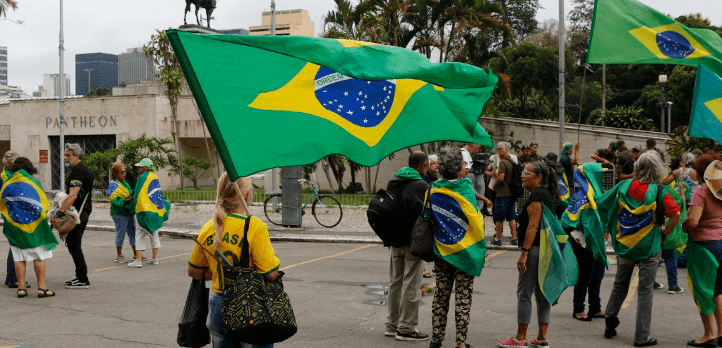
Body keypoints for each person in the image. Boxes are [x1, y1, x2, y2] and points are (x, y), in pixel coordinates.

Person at [188, 173, 280, 348]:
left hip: (218, 304)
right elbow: (271, 273)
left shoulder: (209, 227)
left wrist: (219, 271)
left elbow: (195, 272)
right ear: (245, 195)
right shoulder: (255, 227)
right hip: (251, 306)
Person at [599, 152, 681, 347]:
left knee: (620, 284)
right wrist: (665, 231)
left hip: (625, 244)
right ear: (657, 169)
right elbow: (676, 213)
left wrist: (609, 226)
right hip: (649, 247)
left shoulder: (624, 185)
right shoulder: (660, 191)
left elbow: (604, 202)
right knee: (645, 291)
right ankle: (641, 337)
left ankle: (610, 321)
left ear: (637, 168)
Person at [428, 146, 486, 348]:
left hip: (443, 252)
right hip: (465, 254)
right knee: (463, 298)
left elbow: (429, 218)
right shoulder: (466, 188)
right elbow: (476, 220)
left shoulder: (434, 189)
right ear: (458, 167)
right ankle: (460, 342)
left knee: (440, 297)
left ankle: (436, 340)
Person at [498, 161, 559, 348]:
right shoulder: (546, 194)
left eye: (527, 173)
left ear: (539, 177)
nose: (523, 175)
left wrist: (524, 252)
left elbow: (533, 226)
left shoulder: (536, 196)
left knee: (524, 292)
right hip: (545, 251)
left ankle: (520, 338)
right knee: (542, 295)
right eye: (523, 172)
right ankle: (541, 338)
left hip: (534, 251)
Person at [384, 151, 430, 341]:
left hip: (394, 239)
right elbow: (425, 213)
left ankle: (391, 325)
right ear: (421, 166)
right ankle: (406, 328)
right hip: (413, 241)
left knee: (395, 282)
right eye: (426, 165)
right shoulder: (421, 185)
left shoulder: (393, 181)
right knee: (412, 283)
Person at [1, 157, 59, 298]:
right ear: (29, 168)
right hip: (35, 227)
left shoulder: (7, 184)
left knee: (19, 258)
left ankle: (21, 288)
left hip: (15, 227)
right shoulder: (34, 183)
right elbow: (44, 204)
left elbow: (2, 205)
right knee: (39, 257)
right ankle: (42, 288)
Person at [682, 153, 722, 347]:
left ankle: (709, 334)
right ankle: (721, 333)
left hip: (704, 246)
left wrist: (684, 225)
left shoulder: (702, 192)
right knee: (718, 290)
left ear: (700, 172)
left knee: (702, 290)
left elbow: (693, 221)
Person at [53, 143, 94, 289]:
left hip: (77, 214)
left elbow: (73, 195)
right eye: (65, 155)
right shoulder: (81, 170)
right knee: (73, 245)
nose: (65, 158)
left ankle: (82, 278)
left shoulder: (79, 172)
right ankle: (79, 276)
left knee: (74, 246)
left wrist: (59, 212)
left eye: (68, 155)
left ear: (77, 156)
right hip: (81, 212)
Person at [127, 158, 167, 268]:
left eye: (140, 167)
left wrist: (134, 208)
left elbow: (137, 195)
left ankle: (138, 260)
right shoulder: (154, 177)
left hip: (143, 211)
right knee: (154, 234)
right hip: (154, 212)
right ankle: (154, 259)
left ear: (145, 167)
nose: (138, 169)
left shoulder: (142, 178)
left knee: (139, 236)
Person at [2, 150, 28, 289]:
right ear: (6, 162)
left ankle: (11, 276)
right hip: (12, 214)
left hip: (14, 213)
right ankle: (13, 278)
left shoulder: (12, 174)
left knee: (16, 244)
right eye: (13, 163)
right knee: (16, 244)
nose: (16, 165)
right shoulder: (6, 176)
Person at [491, 141, 518, 246]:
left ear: (506, 150)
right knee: (511, 216)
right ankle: (514, 238)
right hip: (511, 193)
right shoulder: (512, 161)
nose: (498, 151)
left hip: (502, 193)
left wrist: (494, 185)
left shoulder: (503, 162)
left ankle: (497, 238)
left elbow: (501, 177)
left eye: (500, 149)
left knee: (499, 217)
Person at [108, 162, 136, 263]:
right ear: (115, 174)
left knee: (132, 232)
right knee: (121, 233)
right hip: (119, 212)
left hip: (128, 211)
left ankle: (136, 254)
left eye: (125, 171)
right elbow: (114, 201)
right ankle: (119, 255)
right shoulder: (113, 185)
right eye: (122, 172)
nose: (124, 173)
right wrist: (126, 200)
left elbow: (127, 194)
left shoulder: (124, 183)